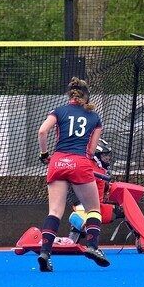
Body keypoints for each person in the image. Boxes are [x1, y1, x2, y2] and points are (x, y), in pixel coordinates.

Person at [36, 77, 109, 271]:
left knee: (55, 211)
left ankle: (45, 252)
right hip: (80, 162)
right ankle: (92, 247)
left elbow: (42, 131)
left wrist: (44, 154)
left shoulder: (58, 111)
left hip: (58, 161)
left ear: (70, 95)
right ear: (86, 96)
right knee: (93, 208)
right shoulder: (95, 118)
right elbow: (92, 151)